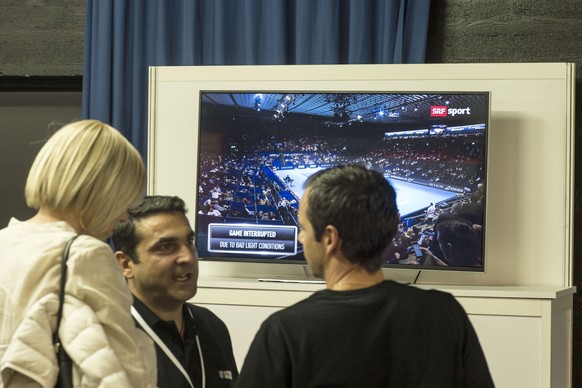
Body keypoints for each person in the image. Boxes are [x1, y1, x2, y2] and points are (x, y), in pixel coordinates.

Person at [235, 164, 494, 388]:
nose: (301, 237)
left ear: (329, 238)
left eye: (303, 227)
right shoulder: (445, 314)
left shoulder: (285, 331)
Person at [0, 120, 157, 387]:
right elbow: (124, 368)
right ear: (101, 191)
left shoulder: (5, 242)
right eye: (123, 200)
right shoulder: (85, 254)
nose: (123, 216)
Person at [112, 195, 238, 388]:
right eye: (166, 247)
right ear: (126, 264)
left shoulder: (212, 327)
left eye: (189, 241)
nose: (187, 257)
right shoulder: (109, 335)